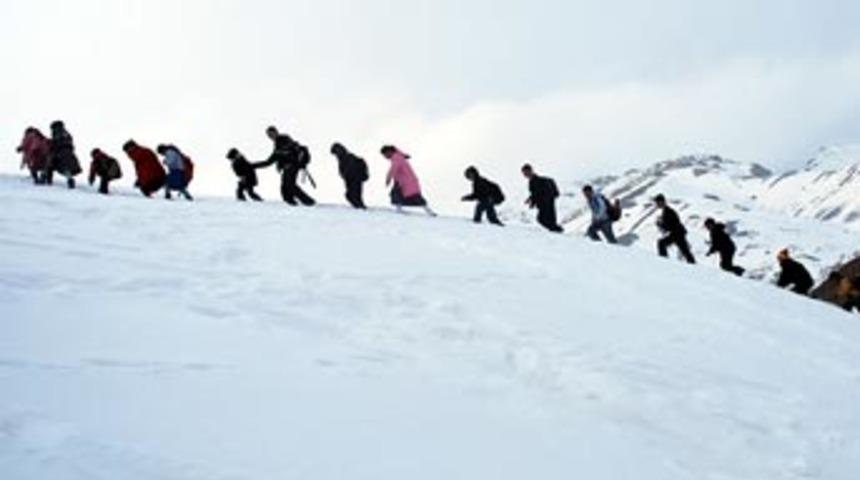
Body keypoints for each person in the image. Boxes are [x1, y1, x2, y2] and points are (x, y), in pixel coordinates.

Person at [259, 126, 315, 206]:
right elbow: (269, 161)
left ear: (276, 132)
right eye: (268, 135)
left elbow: (290, 149)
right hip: (288, 168)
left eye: (271, 134)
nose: (270, 137)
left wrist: (282, 154)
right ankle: (293, 204)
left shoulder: (284, 139)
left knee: (289, 186)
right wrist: (252, 166)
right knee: (285, 189)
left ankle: (309, 202)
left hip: (292, 166)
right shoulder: (277, 145)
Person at [381, 145, 437, 216]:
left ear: (389, 152)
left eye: (385, 154)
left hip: (406, 181)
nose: (385, 157)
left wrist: (388, 179)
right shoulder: (398, 157)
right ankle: (399, 209)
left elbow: (393, 169)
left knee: (414, 196)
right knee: (397, 194)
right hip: (402, 181)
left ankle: (429, 211)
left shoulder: (396, 158)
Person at [654, 194, 696, 264]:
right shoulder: (667, 211)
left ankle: (663, 262)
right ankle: (693, 264)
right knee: (685, 251)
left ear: (661, 202)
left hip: (677, 233)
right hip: (677, 233)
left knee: (662, 243)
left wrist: (661, 224)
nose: (657, 204)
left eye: (657, 202)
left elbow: (671, 224)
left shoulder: (668, 211)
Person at [522, 164, 563, 233]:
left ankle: (556, 230)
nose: (525, 175)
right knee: (547, 220)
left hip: (545, 203)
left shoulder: (536, 180)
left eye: (526, 172)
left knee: (542, 219)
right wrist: (530, 200)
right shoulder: (533, 181)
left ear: (530, 170)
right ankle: (556, 230)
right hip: (546, 202)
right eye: (524, 173)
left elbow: (538, 193)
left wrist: (532, 202)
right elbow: (535, 193)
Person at [331, 143, 369, 209]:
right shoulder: (345, 157)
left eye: (335, 153)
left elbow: (350, 169)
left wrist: (345, 175)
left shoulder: (348, 157)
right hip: (352, 179)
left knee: (351, 195)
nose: (336, 155)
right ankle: (361, 208)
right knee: (353, 196)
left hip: (354, 179)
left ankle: (361, 209)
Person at [47, 121, 82, 188]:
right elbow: (70, 143)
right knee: (65, 168)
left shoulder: (57, 132)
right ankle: (70, 179)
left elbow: (55, 144)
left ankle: (48, 181)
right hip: (68, 153)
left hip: (59, 153)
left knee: (50, 165)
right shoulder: (66, 133)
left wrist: (52, 149)